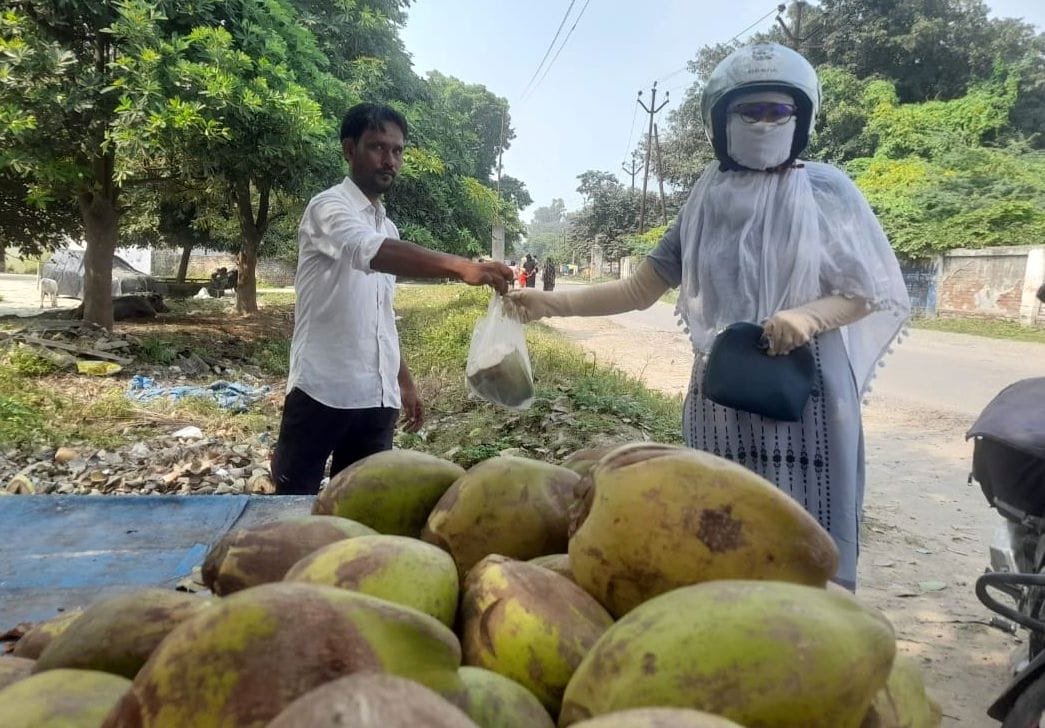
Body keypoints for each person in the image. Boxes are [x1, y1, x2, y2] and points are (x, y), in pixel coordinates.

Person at [506, 44, 910, 591]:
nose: (764, 123)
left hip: (808, 391)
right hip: (724, 392)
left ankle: (814, 624)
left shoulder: (827, 191)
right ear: (720, 121)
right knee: (721, 522)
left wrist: (810, 317)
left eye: (778, 111)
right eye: (749, 111)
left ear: (802, 118)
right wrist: (548, 303)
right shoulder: (704, 200)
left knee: (806, 532)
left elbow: (867, 291)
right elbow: (639, 288)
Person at [271, 103, 513, 495]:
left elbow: (381, 315)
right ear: (349, 149)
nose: (390, 160)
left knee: (361, 505)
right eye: (378, 147)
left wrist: (404, 382)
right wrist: (460, 266)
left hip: (376, 398)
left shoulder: (388, 227)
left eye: (397, 151)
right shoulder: (328, 207)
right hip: (323, 390)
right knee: (293, 504)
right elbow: (366, 249)